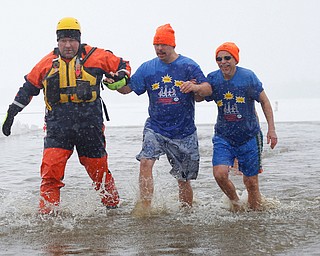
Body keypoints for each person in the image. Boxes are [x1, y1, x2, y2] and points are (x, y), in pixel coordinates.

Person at [1, 17, 131, 214]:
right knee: (50, 171)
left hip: (90, 124)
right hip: (58, 126)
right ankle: (48, 216)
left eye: (72, 40)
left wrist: (121, 77)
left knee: (98, 171)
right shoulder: (46, 64)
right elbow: (28, 88)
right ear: (57, 41)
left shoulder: (97, 56)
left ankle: (113, 208)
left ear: (79, 40)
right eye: (63, 40)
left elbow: (123, 65)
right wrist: (12, 112)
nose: (68, 45)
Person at [104, 24, 212, 210]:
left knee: (183, 179)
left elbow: (207, 89)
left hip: (183, 131)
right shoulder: (148, 68)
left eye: (163, 44)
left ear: (173, 45)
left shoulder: (188, 66)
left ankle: (187, 214)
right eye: (156, 44)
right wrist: (114, 84)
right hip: (156, 128)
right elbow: (127, 89)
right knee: (145, 162)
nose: (159, 49)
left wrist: (195, 88)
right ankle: (145, 208)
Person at [205, 42, 277, 211]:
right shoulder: (213, 79)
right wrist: (193, 87)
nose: (223, 62)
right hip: (224, 136)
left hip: (249, 136)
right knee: (219, 174)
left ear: (235, 59)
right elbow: (200, 96)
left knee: (251, 182)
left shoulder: (247, 77)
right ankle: (236, 203)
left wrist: (271, 129)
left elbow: (264, 102)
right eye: (219, 59)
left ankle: (254, 218)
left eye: (227, 58)